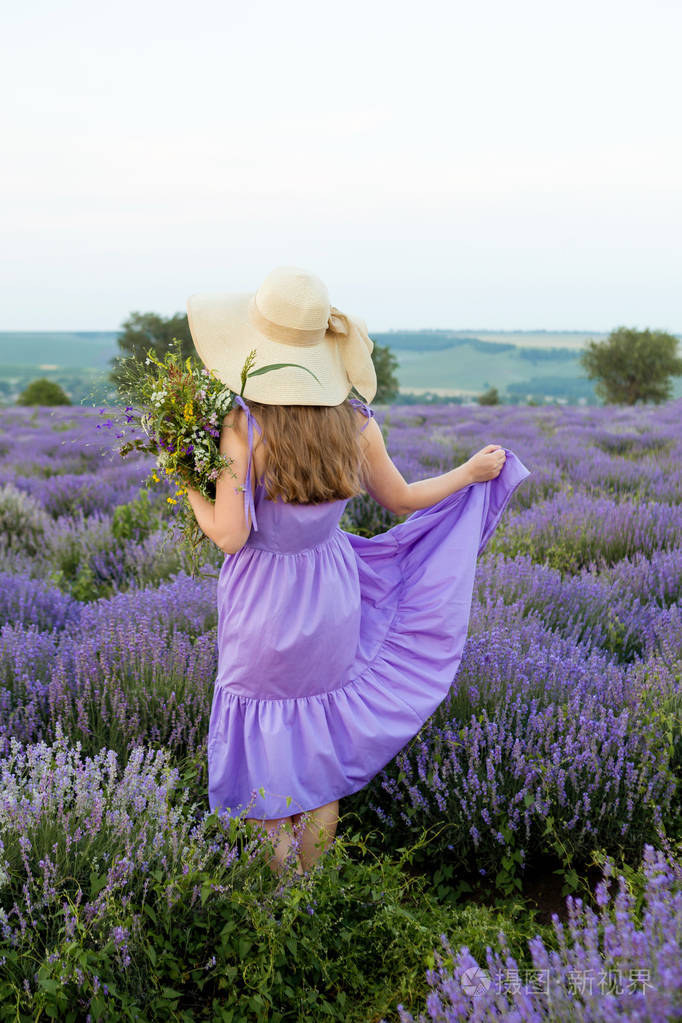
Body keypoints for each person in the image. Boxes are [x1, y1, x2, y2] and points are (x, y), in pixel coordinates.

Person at [184, 266, 530, 876]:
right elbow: (399, 500)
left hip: (264, 602)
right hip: (332, 597)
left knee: (270, 758)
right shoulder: (356, 420)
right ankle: (309, 896)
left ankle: (279, 914)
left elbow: (231, 537)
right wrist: (469, 474)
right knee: (316, 751)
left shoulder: (245, 427)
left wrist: (186, 482)